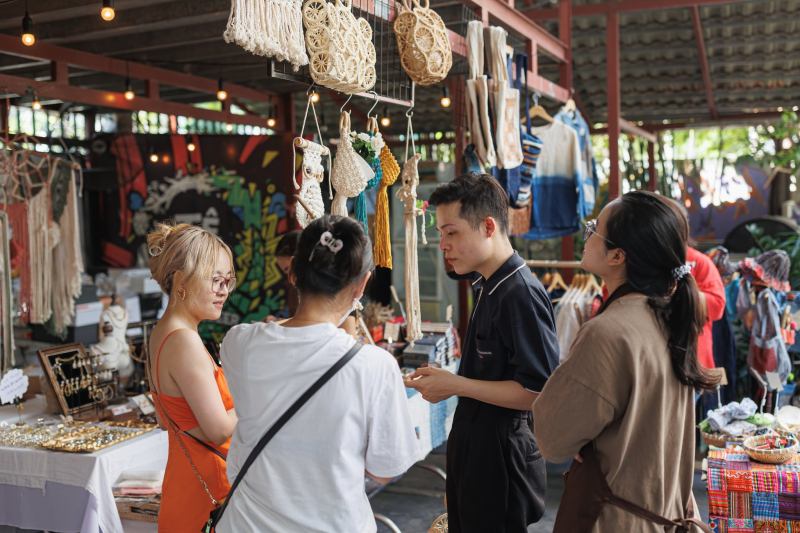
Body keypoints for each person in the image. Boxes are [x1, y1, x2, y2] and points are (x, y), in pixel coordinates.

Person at [217, 215, 419, 532]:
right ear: (362, 284)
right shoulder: (374, 366)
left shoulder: (239, 343)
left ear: (293, 273)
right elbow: (385, 469)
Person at [532, 191, 718, 532]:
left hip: (617, 520)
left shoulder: (608, 332)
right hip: (665, 515)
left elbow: (552, 437)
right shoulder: (668, 316)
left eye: (594, 229)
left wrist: (578, 437)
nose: (586, 235)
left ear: (617, 255)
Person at [406, 172, 559, 533]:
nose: (442, 244)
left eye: (452, 232)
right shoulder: (488, 282)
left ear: (488, 226)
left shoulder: (519, 292)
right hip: (478, 450)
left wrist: (456, 384)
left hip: (501, 459)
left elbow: (538, 393)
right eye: (441, 233)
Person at [145, 222, 238, 532]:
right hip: (207, 493)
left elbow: (164, 418)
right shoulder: (183, 340)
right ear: (181, 281)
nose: (223, 290)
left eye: (227, 280)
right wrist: (259, 398)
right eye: (215, 280)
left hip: (186, 481)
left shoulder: (162, 333)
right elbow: (218, 430)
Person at [265, 230, 300, 322]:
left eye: (288, 269)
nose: (289, 278)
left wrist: (279, 322)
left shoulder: (325, 289)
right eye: (285, 272)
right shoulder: (294, 290)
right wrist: (278, 321)